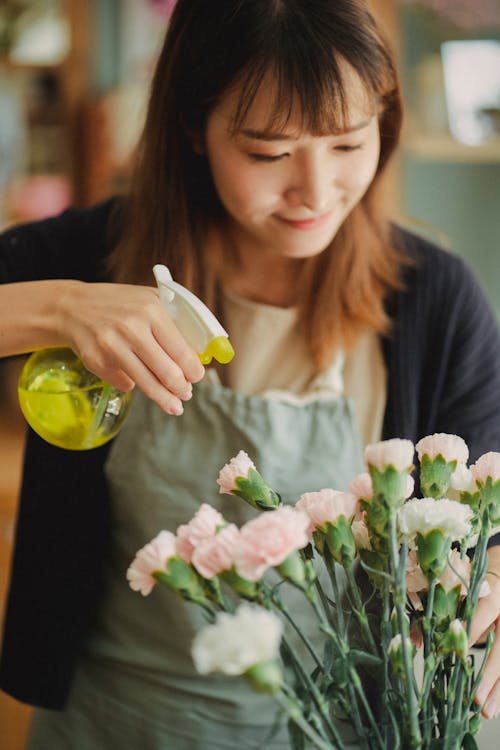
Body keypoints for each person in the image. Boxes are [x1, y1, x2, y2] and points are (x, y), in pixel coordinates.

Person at [0, 1, 499, 747]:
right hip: (115, 722)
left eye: (348, 144)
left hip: (343, 728)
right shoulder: (86, 258)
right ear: (193, 130)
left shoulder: (436, 299)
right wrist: (59, 308)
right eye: (269, 153)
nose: (316, 190)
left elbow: (484, 517)